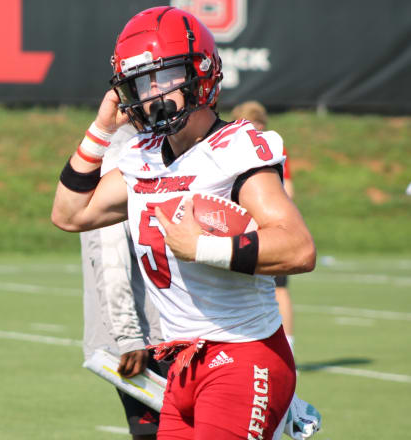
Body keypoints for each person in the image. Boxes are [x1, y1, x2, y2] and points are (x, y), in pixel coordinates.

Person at [51, 6, 316, 440]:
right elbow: (69, 213)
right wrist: (101, 128)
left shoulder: (234, 150)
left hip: (243, 356)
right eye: (141, 82)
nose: (152, 93)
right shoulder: (143, 156)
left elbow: (299, 249)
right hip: (183, 366)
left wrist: (203, 248)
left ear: (201, 74)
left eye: (165, 77)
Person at [81, 125, 167, 440]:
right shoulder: (124, 150)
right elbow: (109, 252)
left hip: (176, 330)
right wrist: (129, 337)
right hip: (150, 337)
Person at [231, 101, 296, 352]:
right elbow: (288, 191)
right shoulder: (271, 146)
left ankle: (264, 345)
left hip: (248, 229)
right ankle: (284, 346)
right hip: (271, 228)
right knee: (277, 289)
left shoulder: (234, 147)